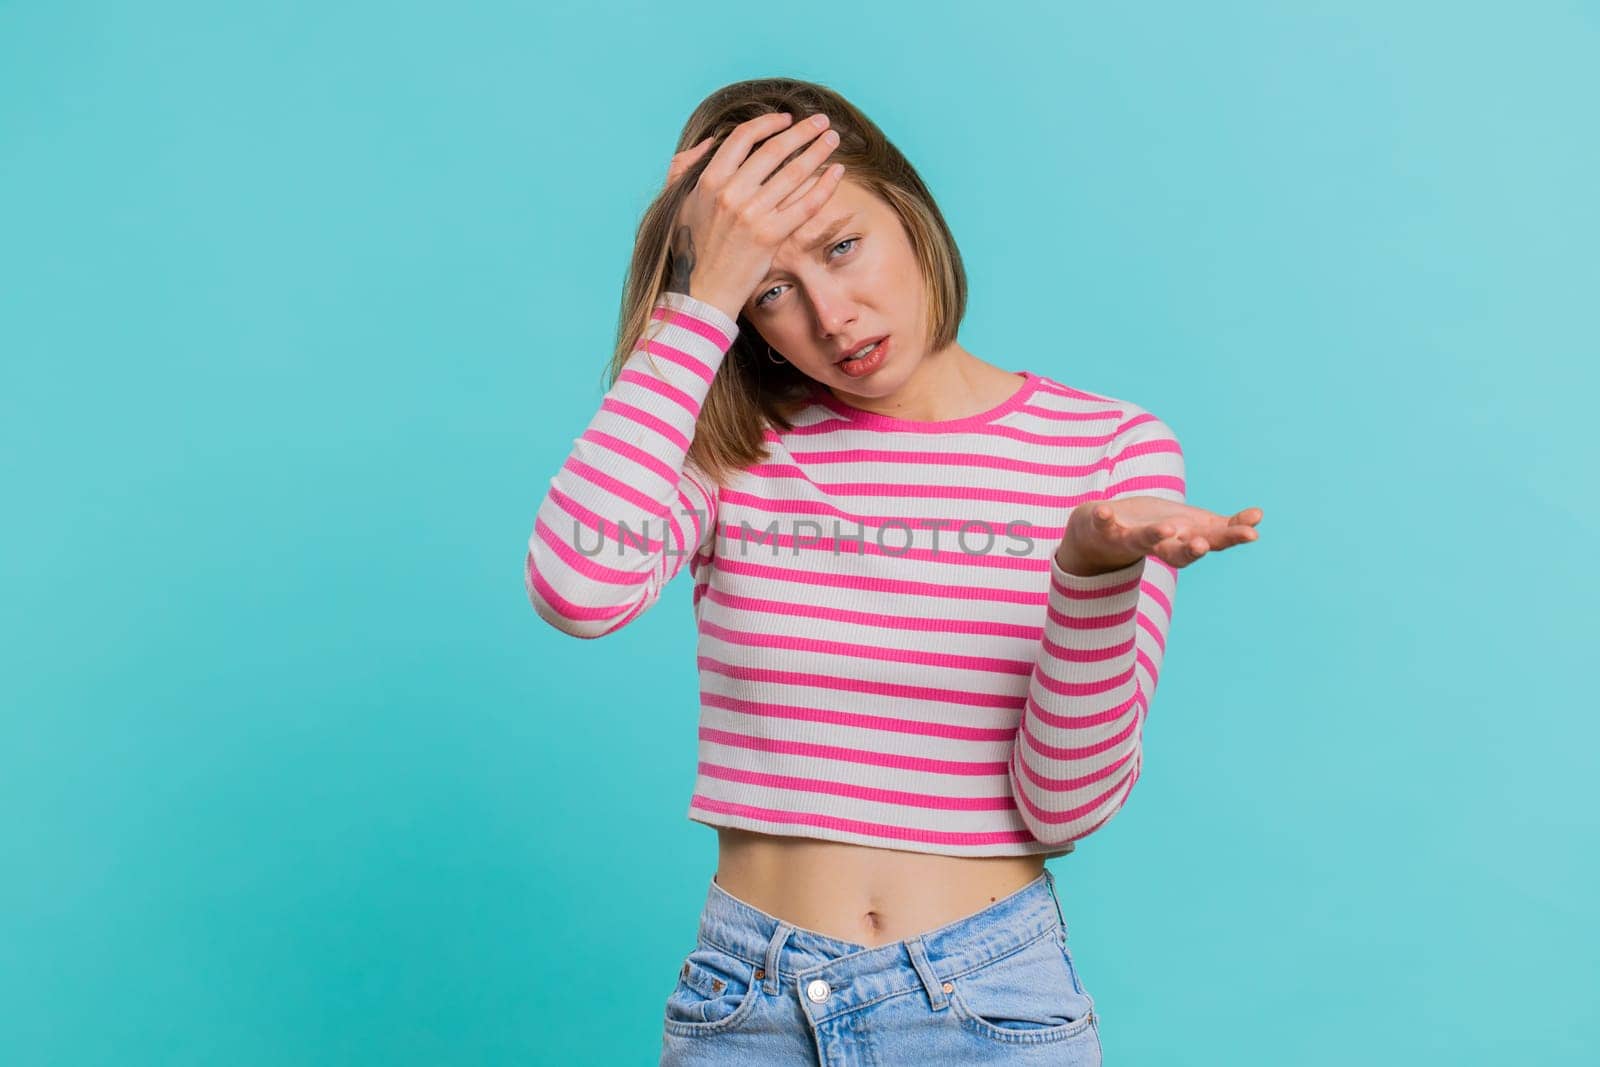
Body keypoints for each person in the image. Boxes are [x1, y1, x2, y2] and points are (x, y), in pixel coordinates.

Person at [524, 78, 1262, 1065]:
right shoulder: (731, 447)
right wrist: (697, 292)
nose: (832, 315)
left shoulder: (1108, 449)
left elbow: (1063, 807)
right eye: (771, 287)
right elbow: (577, 588)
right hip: (746, 1006)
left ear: (909, 213)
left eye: (841, 245)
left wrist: (1088, 573)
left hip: (993, 1005)